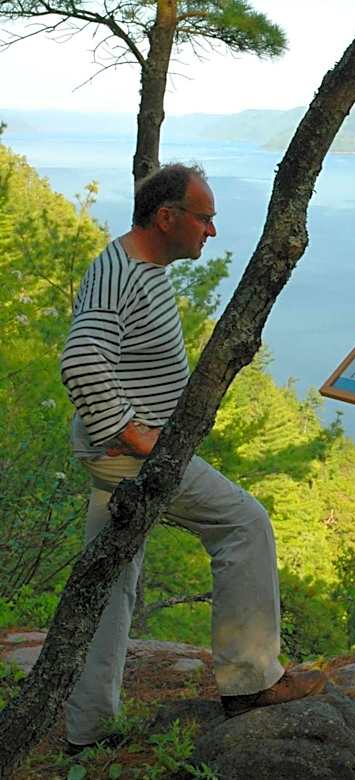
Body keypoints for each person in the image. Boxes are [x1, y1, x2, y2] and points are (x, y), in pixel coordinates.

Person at [60, 163, 326, 754]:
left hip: (115, 454)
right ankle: (250, 682)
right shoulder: (122, 274)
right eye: (204, 218)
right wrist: (137, 437)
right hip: (129, 460)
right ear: (166, 217)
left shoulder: (140, 265)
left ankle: (87, 729)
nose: (211, 230)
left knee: (110, 580)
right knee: (244, 524)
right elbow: (80, 360)